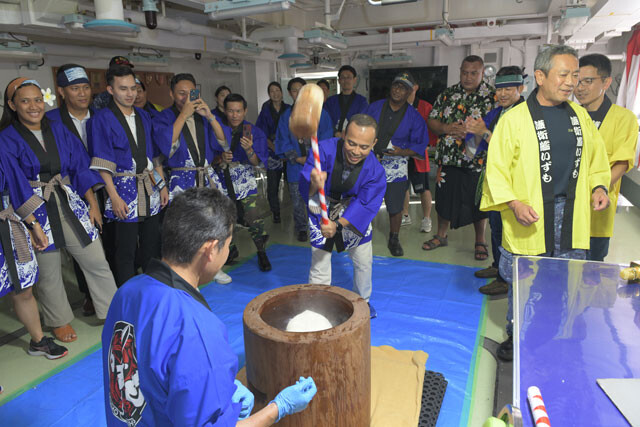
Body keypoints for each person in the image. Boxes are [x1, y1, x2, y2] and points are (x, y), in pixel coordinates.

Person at [102, 187, 317, 426]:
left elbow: (144, 365)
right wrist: (278, 408)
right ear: (210, 249)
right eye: (227, 245)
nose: (227, 251)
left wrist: (216, 384)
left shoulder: (127, 291)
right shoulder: (195, 329)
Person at [480, 45, 611, 361]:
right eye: (564, 74)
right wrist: (513, 203)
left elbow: (596, 160)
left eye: (575, 76)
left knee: (563, 280)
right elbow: (496, 168)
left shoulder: (580, 116)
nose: (571, 83)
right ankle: (517, 335)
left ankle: (556, 333)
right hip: (531, 215)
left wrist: (599, 187)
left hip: (572, 215)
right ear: (540, 76)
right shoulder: (513, 120)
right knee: (524, 282)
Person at [0, 77, 117, 343]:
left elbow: (79, 165)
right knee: (49, 269)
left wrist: (92, 203)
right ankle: (59, 320)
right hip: (34, 208)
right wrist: (31, 224)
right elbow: (15, 183)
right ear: (12, 105)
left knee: (96, 258)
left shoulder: (59, 128)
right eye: (25, 101)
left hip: (67, 199)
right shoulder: (6, 139)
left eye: (38, 99)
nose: (33, 106)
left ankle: (111, 309)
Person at [88, 65, 169, 287]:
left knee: (151, 243)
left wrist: (162, 185)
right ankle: (127, 294)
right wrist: (113, 196)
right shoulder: (100, 119)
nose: (130, 93)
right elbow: (102, 163)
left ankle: (152, 288)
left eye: (133, 88)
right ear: (110, 90)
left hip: (149, 185)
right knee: (125, 248)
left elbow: (153, 157)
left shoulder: (144, 115)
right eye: (123, 88)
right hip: (122, 189)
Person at [299, 114, 386, 318]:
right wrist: (314, 182)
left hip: (352, 212)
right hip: (322, 206)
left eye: (364, 147)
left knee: (363, 260)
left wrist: (337, 225)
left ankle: (363, 301)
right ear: (343, 135)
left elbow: (365, 204)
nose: (356, 151)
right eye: (351, 143)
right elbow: (307, 188)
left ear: (374, 143)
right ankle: (319, 303)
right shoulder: (322, 150)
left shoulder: (375, 170)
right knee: (319, 259)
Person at [152, 73, 232, 284]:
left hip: (205, 174)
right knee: (187, 228)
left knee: (213, 223)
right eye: (181, 93)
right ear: (171, 94)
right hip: (181, 178)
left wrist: (211, 117)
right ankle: (184, 271)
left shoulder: (203, 117)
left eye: (191, 93)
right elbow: (165, 147)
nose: (186, 98)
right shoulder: (163, 117)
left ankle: (213, 267)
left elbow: (224, 143)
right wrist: (183, 115)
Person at [425, 55, 496, 261]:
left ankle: (480, 240)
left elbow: (499, 128)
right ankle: (441, 235)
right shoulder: (447, 94)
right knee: (444, 198)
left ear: (482, 73)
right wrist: (447, 128)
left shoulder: (492, 97)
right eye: (465, 72)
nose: (468, 77)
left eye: (474, 73)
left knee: (477, 202)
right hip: (448, 159)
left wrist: (475, 133)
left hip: (478, 160)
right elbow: (432, 120)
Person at [0, 148, 68, 359]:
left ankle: (38, 341)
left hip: (9, 223)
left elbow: (18, 187)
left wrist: (33, 225)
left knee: (24, 288)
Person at [467, 66, 527, 296]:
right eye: (499, 89)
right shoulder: (497, 112)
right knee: (495, 227)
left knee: (506, 232)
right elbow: (476, 144)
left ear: (521, 88)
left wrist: (483, 132)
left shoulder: (525, 114)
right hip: (495, 183)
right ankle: (498, 267)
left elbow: (511, 150)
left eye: (509, 88)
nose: (502, 94)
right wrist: (471, 131)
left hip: (514, 186)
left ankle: (506, 279)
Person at [574, 53, 639, 262]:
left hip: (596, 210)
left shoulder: (623, 118)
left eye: (588, 81)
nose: (580, 87)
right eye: (577, 81)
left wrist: (597, 188)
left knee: (591, 269)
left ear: (606, 82)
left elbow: (622, 162)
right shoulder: (571, 115)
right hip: (567, 208)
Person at [46, 63, 99, 316]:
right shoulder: (51, 121)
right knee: (82, 242)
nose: (82, 93)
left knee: (106, 243)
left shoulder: (101, 116)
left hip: (106, 185)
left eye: (85, 87)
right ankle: (88, 295)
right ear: (61, 91)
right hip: (71, 191)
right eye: (75, 88)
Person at [364, 72, 429, 256]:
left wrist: (402, 152)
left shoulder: (414, 117)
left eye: (403, 87)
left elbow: (420, 144)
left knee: (395, 205)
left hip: (396, 165)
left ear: (409, 92)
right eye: (396, 85)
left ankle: (394, 238)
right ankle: (361, 233)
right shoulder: (375, 107)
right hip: (370, 162)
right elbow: (360, 130)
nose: (398, 89)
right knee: (366, 199)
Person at [213, 93, 271, 272]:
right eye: (230, 111)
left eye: (238, 111)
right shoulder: (217, 129)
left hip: (244, 179)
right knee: (224, 218)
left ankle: (261, 252)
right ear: (224, 110)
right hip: (222, 179)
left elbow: (258, 163)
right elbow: (208, 157)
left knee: (253, 216)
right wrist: (221, 157)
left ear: (245, 111)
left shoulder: (254, 132)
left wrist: (249, 150)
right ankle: (229, 250)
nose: (234, 115)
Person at [275, 77, 333, 242]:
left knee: (319, 198)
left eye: (302, 90)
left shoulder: (323, 114)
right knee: (298, 201)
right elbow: (282, 140)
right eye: (294, 90)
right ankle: (301, 227)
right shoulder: (286, 116)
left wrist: (313, 158)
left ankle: (321, 224)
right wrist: (297, 158)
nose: (298, 94)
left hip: (317, 166)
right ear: (289, 93)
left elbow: (327, 138)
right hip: (296, 167)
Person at [400, 82, 435, 233]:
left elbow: (433, 129)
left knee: (424, 188)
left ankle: (426, 218)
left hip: (419, 156)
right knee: (402, 187)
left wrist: (427, 145)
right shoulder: (397, 105)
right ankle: (405, 215)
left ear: (415, 87)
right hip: (401, 154)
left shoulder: (425, 107)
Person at [255, 81, 290, 224]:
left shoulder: (288, 108)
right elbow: (261, 132)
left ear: (282, 92)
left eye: (277, 90)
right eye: (272, 91)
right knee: (273, 185)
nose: (275, 93)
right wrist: (274, 148)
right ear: (269, 94)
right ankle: (275, 212)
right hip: (272, 151)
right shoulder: (265, 111)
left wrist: (284, 149)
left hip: (288, 151)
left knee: (293, 182)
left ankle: (297, 210)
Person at [324, 65, 369, 137]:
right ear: (339, 81)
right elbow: (326, 121)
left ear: (354, 80)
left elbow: (362, 121)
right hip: (334, 138)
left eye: (349, 77)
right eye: (343, 77)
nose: (346, 80)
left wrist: (350, 133)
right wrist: (336, 133)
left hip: (354, 137)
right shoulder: (330, 102)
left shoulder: (362, 101)